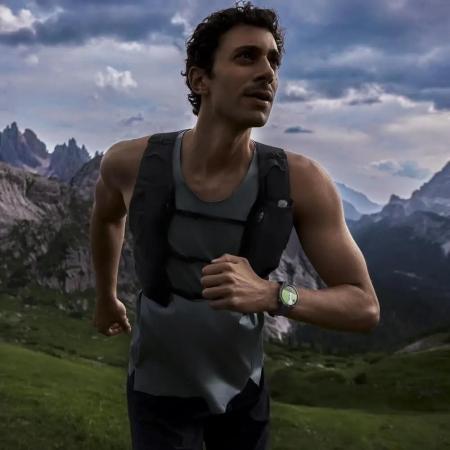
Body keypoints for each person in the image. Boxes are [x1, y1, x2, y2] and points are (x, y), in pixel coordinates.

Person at [89, 2, 380, 449]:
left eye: (273, 61)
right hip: (155, 390)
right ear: (199, 79)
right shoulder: (130, 162)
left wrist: (272, 294)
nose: (268, 73)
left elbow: (364, 306)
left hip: (243, 394)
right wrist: (106, 298)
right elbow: (108, 216)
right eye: (247, 57)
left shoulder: (303, 181)